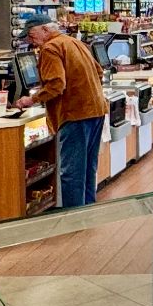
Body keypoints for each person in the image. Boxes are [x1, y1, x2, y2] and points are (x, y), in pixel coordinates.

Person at [16, 16, 109, 208]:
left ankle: (73, 217)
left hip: (74, 115)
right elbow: (99, 72)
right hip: (96, 110)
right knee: (88, 168)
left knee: (72, 172)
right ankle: (87, 210)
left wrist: (31, 99)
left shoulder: (50, 48)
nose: (30, 41)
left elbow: (56, 85)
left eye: (31, 35)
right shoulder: (75, 42)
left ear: (44, 29)